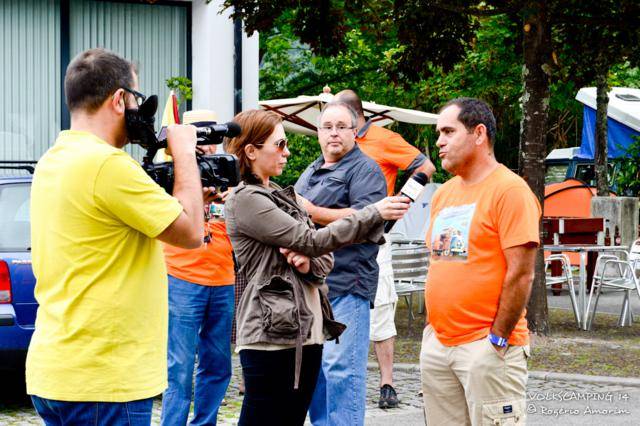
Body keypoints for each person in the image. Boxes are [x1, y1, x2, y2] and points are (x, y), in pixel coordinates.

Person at [26, 48, 204, 424]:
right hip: (104, 379)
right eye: (137, 98)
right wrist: (184, 152)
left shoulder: (53, 160)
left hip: (56, 369)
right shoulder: (107, 164)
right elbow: (191, 233)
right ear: (119, 99)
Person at [224, 109, 409, 426]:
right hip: (270, 334)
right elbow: (311, 239)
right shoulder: (246, 199)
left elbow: (323, 257)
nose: (287, 151)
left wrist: (309, 261)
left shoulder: (285, 195)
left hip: (305, 329)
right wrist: (371, 213)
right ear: (251, 151)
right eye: (280, 145)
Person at [421, 98, 540, 425]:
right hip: (440, 345)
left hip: (487, 347)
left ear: (478, 134)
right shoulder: (444, 194)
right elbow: (441, 262)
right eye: (438, 133)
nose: (439, 142)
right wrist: (432, 331)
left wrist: (498, 340)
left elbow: (521, 274)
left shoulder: (510, 190)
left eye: (448, 131)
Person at [334, 89, 436, 408]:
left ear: (354, 116)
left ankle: (387, 384)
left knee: (381, 305)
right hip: (340, 238)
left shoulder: (383, 139)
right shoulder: (339, 145)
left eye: (339, 120)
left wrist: (400, 204)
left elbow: (425, 166)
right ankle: (342, 381)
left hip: (375, 239)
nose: (334, 128)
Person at [294, 101, 385, 425]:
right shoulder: (311, 170)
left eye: (340, 126)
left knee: (341, 372)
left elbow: (367, 218)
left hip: (348, 285)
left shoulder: (366, 170)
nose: (333, 133)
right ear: (318, 133)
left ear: (355, 131)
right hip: (312, 290)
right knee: (316, 376)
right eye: (326, 126)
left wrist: (312, 211)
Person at [160, 110, 236, 426]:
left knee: (218, 364)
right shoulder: (169, 173)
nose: (205, 146)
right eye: (198, 136)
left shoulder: (228, 174)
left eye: (209, 138)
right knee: (178, 367)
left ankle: (205, 422)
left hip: (223, 279)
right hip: (181, 277)